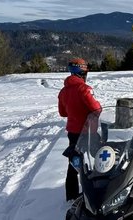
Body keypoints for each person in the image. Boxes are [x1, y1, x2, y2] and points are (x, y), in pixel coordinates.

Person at [58, 58, 101, 201]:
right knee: (96, 161)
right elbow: (96, 109)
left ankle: (71, 196)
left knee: (74, 164)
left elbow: (63, 113)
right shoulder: (84, 89)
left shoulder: (63, 91)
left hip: (73, 133)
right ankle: (97, 192)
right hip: (88, 132)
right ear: (82, 73)